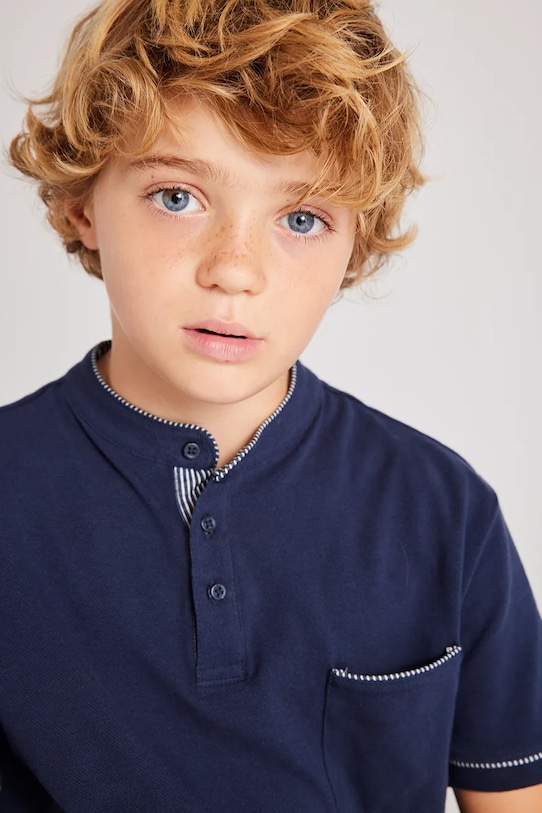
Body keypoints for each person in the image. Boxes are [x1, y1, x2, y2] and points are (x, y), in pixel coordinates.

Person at [1, 0, 541, 810]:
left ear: (355, 241)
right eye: (177, 196)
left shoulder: (442, 508)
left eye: (301, 217)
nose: (236, 269)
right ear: (85, 205)